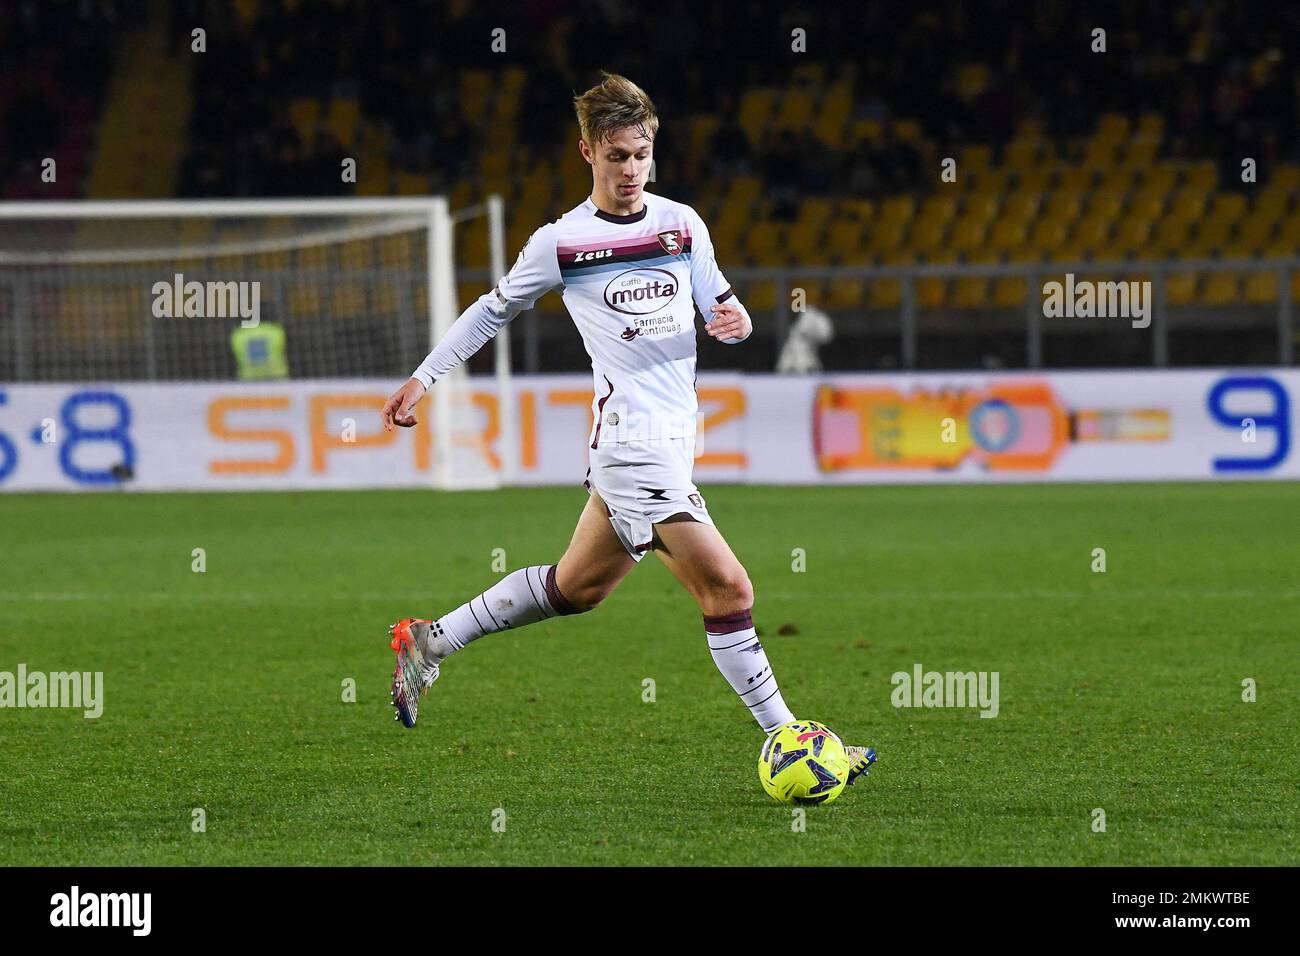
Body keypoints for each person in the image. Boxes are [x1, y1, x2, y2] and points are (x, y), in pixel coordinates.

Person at [379, 72, 875, 785]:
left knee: (577, 588)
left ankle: (431, 640)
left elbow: (722, 309)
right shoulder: (563, 243)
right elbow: (491, 310)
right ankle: (794, 743)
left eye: (640, 154)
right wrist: (423, 378)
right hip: (632, 446)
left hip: (672, 445)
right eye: (616, 156)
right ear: (587, 153)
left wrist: (737, 324)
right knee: (730, 591)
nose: (631, 170)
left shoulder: (682, 223)